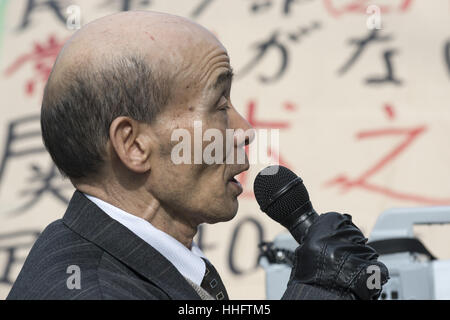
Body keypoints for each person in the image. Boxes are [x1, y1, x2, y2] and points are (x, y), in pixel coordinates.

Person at [7, 10, 388, 300]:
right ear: (134, 145)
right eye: (220, 106)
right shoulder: (93, 291)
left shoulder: (131, 260)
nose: (245, 131)